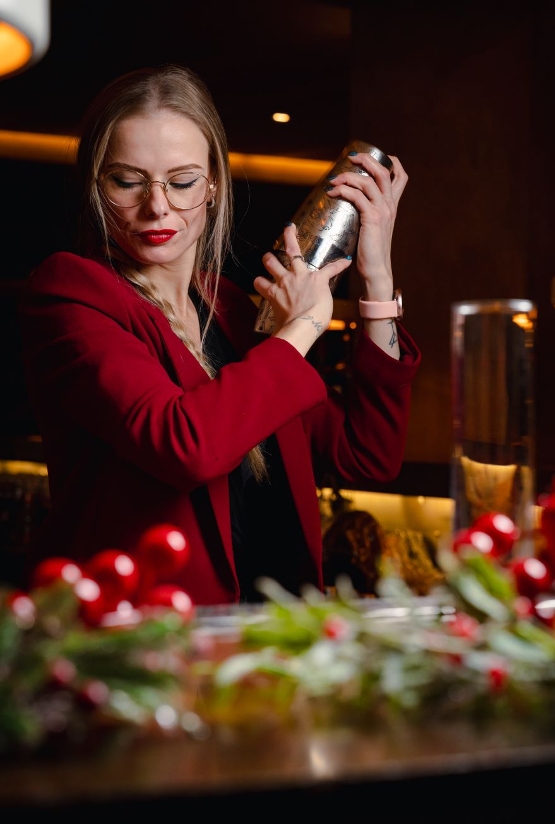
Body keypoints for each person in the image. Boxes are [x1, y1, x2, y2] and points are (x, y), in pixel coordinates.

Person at [19, 63, 421, 606]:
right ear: (96, 185)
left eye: (182, 182)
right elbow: (185, 446)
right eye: (127, 181)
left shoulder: (229, 308)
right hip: (151, 646)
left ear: (213, 187)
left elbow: (366, 456)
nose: (158, 206)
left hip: (275, 644)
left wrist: (377, 279)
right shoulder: (72, 294)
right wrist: (301, 327)